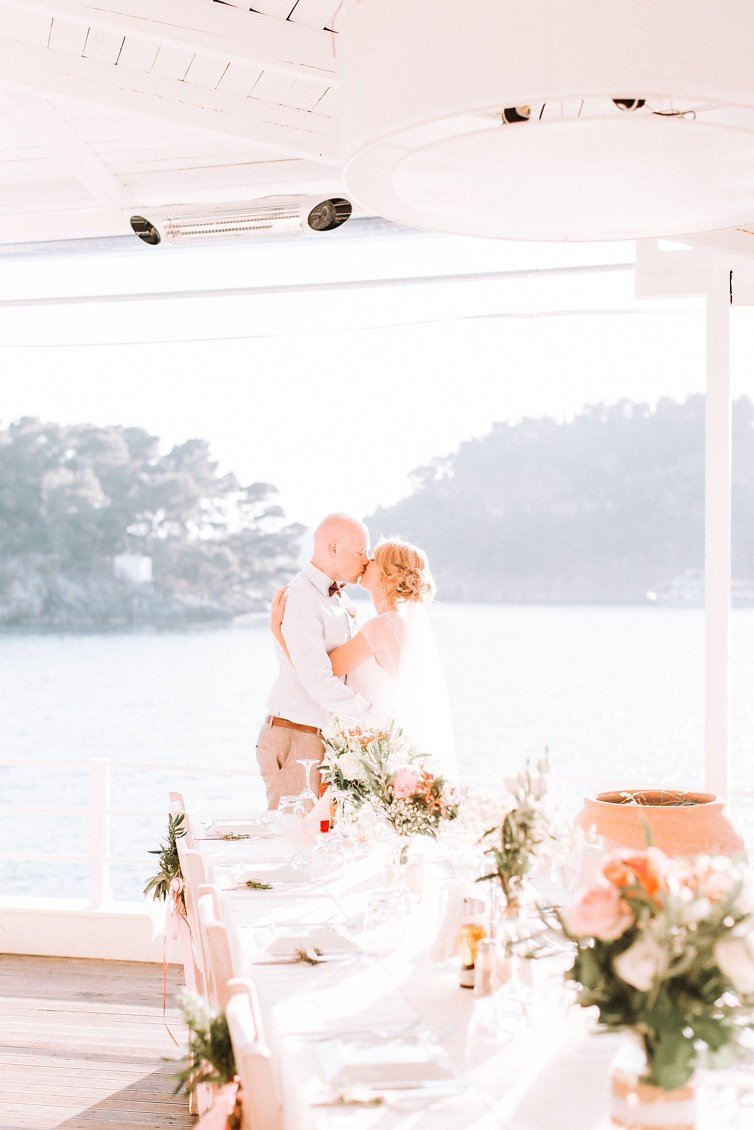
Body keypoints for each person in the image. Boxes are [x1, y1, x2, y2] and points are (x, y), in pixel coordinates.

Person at [271, 535, 456, 776]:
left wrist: (279, 631)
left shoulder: (381, 627)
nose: (367, 560)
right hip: (376, 747)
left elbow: (321, 671)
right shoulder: (396, 624)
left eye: (375, 558)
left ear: (390, 574)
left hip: (369, 748)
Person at [256, 513, 376, 809]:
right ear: (333, 547)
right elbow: (318, 680)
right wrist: (371, 719)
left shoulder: (339, 599)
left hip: (323, 738)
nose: (366, 561)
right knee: (292, 832)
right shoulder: (301, 597)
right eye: (361, 552)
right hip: (296, 736)